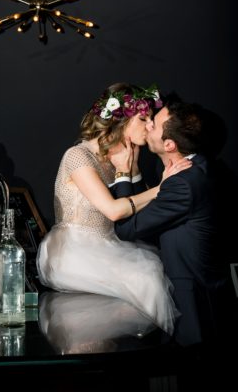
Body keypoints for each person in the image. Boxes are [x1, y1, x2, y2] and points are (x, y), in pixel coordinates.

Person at [37, 84, 190, 335]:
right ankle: (159, 360)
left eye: (151, 119)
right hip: (71, 250)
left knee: (157, 268)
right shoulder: (78, 155)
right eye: (143, 119)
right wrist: (162, 188)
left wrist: (132, 169)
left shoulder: (121, 157)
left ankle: (154, 354)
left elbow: (139, 209)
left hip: (108, 245)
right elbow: (114, 211)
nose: (150, 126)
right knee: (147, 277)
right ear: (121, 122)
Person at [112, 101, 224, 349]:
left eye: (154, 125)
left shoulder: (184, 184)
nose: (148, 124)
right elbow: (154, 209)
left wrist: (122, 172)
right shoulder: (195, 168)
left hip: (194, 311)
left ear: (169, 145)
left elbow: (126, 229)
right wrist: (136, 170)